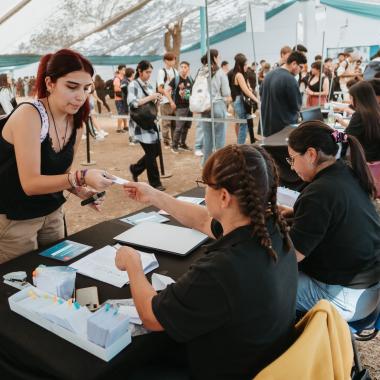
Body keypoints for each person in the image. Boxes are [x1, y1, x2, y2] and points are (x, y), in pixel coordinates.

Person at [116, 144, 298, 380]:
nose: (204, 193)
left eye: (206, 186)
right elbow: (203, 220)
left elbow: (151, 318)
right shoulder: (271, 229)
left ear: (224, 197)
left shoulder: (223, 268)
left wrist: (133, 265)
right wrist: (153, 195)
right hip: (261, 358)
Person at [0, 49, 114, 263]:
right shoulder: (29, 115)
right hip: (15, 219)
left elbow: (61, 174)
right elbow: (31, 184)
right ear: (50, 83)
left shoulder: (76, 121)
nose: (80, 96)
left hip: (53, 213)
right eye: (72, 87)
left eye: (86, 88)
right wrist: (81, 176)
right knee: (18, 284)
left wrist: (79, 189)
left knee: (57, 271)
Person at [282, 121, 380, 321]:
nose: (292, 167)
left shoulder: (319, 193)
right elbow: (336, 216)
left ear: (311, 154)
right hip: (368, 288)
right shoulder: (347, 172)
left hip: (345, 297)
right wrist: (297, 213)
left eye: (292, 159)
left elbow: (290, 255)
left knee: (264, 284)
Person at [128, 60, 165, 191]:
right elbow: (132, 103)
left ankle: (135, 169)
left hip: (150, 122)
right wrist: (151, 97)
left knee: (154, 152)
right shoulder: (133, 84)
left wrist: (157, 100)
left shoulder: (149, 85)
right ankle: (155, 183)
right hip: (140, 123)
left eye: (150, 72)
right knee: (151, 152)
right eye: (147, 72)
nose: (149, 74)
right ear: (140, 71)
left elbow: (152, 106)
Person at [260, 51, 307, 137]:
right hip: (283, 128)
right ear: (294, 64)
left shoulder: (268, 75)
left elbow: (261, 94)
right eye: (300, 67)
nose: (300, 70)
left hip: (267, 126)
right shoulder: (290, 79)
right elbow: (296, 106)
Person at [198, 49, 230, 164]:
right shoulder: (220, 72)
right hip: (217, 105)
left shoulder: (201, 71)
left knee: (207, 138)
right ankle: (219, 164)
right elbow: (226, 92)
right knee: (220, 138)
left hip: (204, 106)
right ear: (215, 57)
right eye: (219, 56)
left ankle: (206, 163)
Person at [336, 81, 380, 162]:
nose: (350, 101)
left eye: (351, 97)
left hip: (366, 161)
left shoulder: (360, 115)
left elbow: (346, 137)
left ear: (358, 98)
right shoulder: (375, 111)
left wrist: (331, 134)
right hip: (375, 158)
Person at [230, 53, 259, 144]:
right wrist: (256, 99)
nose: (247, 66)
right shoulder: (238, 75)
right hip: (240, 101)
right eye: (245, 64)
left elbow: (247, 88)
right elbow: (245, 90)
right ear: (240, 65)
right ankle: (240, 146)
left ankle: (244, 143)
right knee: (244, 124)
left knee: (244, 123)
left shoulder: (239, 74)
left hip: (239, 101)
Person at [168, 61, 193, 153]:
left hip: (189, 107)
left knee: (187, 126)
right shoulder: (176, 79)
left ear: (188, 69)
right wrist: (171, 102)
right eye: (181, 67)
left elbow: (190, 93)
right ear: (179, 69)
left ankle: (182, 144)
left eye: (185, 67)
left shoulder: (190, 79)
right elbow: (167, 91)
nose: (183, 69)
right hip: (180, 107)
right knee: (179, 127)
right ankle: (174, 146)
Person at [157, 52, 178, 148]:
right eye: (172, 59)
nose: (174, 61)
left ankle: (174, 141)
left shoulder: (175, 71)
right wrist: (168, 97)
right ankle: (166, 141)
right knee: (166, 122)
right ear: (166, 61)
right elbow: (160, 88)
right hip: (165, 101)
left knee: (175, 122)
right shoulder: (162, 72)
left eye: (174, 59)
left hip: (174, 101)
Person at [121, 67, 135, 143]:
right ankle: (131, 138)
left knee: (134, 120)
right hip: (128, 103)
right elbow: (123, 89)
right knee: (131, 121)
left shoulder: (131, 81)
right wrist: (130, 94)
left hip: (133, 103)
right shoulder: (125, 81)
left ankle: (134, 137)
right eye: (133, 73)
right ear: (131, 73)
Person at [113, 64, 128, 133]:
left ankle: (125, 126)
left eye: (125, 69)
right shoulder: (117, 78)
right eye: (123, 69)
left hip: (124, 98)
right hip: (119, 99)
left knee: (125, 112)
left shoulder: (125, 78)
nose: (124, 71)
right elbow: (116, 89)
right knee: (121, 113)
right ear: (119, 70)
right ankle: (118, 128)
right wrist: (124, 89)